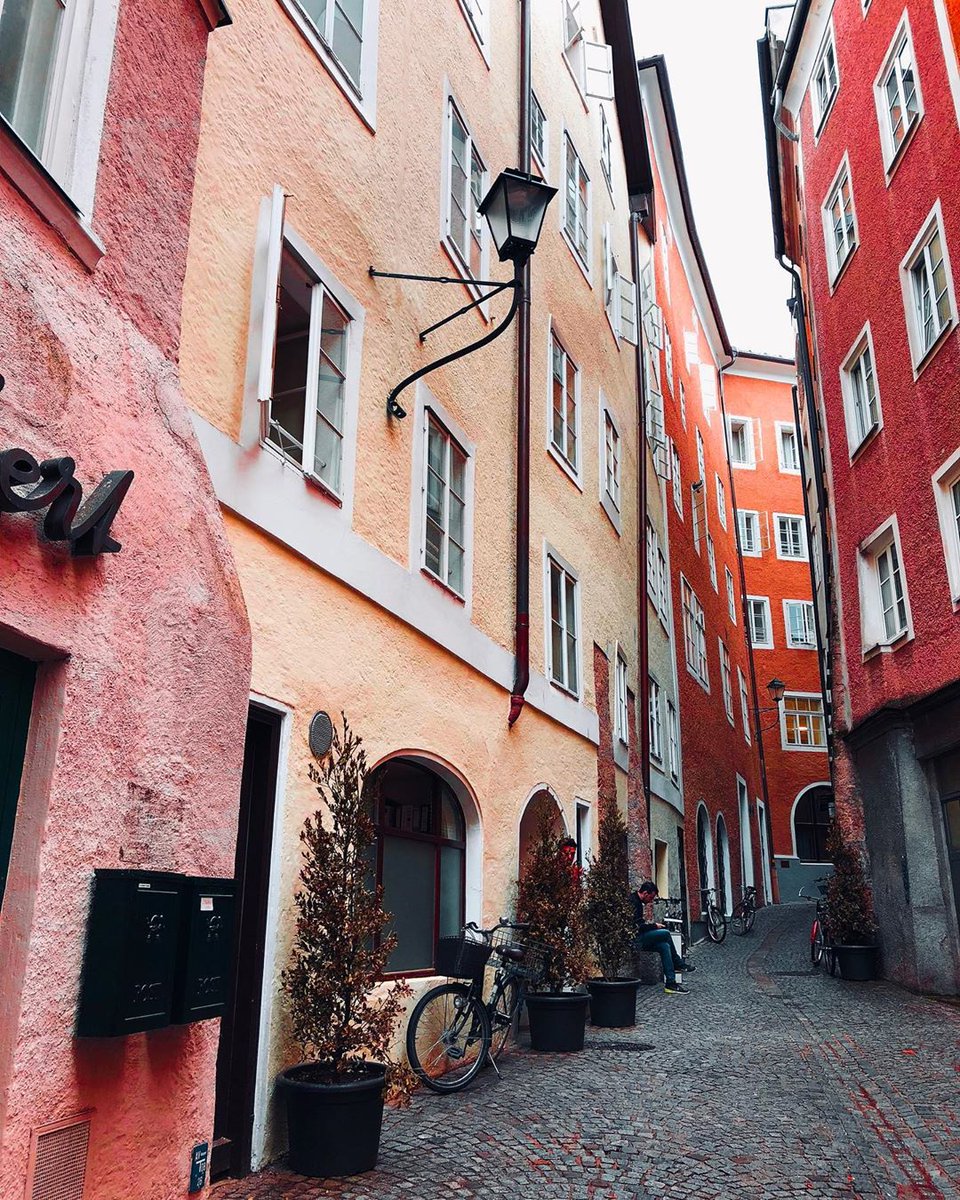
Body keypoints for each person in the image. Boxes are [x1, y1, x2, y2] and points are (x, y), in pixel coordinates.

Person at [631, 880, 695, 995]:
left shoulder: (637, 902)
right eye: (651, 897)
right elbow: (637, 926)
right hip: (634, 939)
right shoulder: (633, 902)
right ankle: (678, 963)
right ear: (645, 893)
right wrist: (654, 926)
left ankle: (670, 983)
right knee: (665, 933)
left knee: (664, 946)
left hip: (638, 936)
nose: (651, 901)